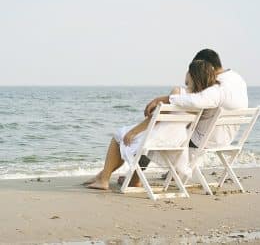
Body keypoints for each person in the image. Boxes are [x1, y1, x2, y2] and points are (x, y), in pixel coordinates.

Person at [83, 59, 220, 189]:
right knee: (129, 138)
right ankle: (108, 176)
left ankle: (104, 180)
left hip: (160, 137)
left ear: (192, 74)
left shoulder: (178, 92)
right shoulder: (202, 100)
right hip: (177, 140)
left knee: (119, 135)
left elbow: (158, 118)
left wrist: (134, 131)